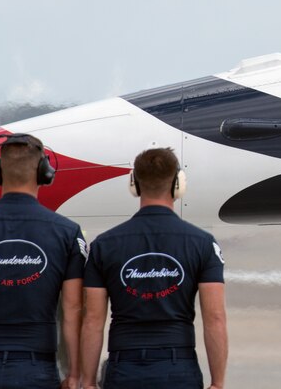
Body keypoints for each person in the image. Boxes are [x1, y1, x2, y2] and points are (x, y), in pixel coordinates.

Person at [81, 148, 227, 389]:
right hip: (178, 367)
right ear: (178, 184)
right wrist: (218, 383)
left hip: (124, 366)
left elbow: (93, 320)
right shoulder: (202, 243)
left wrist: (87, 381)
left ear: (134, 184)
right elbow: (215, 318)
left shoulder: (104, 245)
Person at [0, 133, 85, 389]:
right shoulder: (67, 232)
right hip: (37, 369)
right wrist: (74, 374)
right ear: (43, 173)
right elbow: (73, 309)